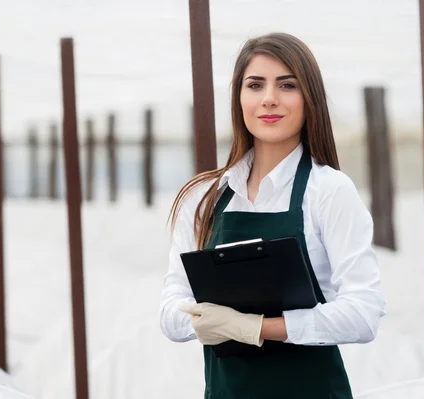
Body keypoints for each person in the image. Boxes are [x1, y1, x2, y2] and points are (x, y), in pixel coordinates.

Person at [159, 32, 386, 399]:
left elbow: (363, 313)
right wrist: (200, 320)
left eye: (287, 85)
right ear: (239, 98)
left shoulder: (328, 190)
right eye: (255, 85)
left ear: (308, 97)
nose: (269, 99)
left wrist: (256, 327)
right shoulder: (203, 198)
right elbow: (171, 305)